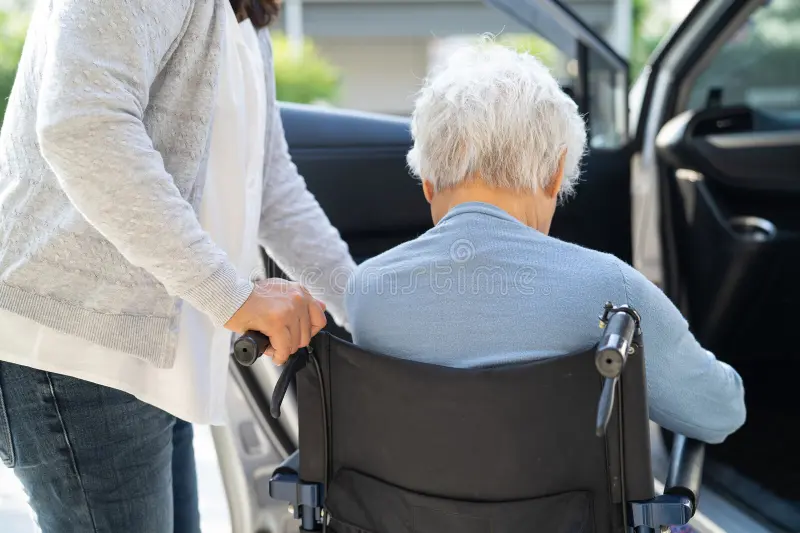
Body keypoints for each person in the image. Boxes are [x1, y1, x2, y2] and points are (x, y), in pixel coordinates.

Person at [0, 1, 355, 532]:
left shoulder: (241, 20)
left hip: (152, 356)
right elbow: (83, 125)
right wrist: (232, 296)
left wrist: (366, 309)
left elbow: (272, 184)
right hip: (80, 353)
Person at [345, 39, 746, 445]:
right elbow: (719, 413)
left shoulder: (368, 290)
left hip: (409, 511)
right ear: (556, 175)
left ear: (428, 184)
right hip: (571, 510)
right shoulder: (610, 292)